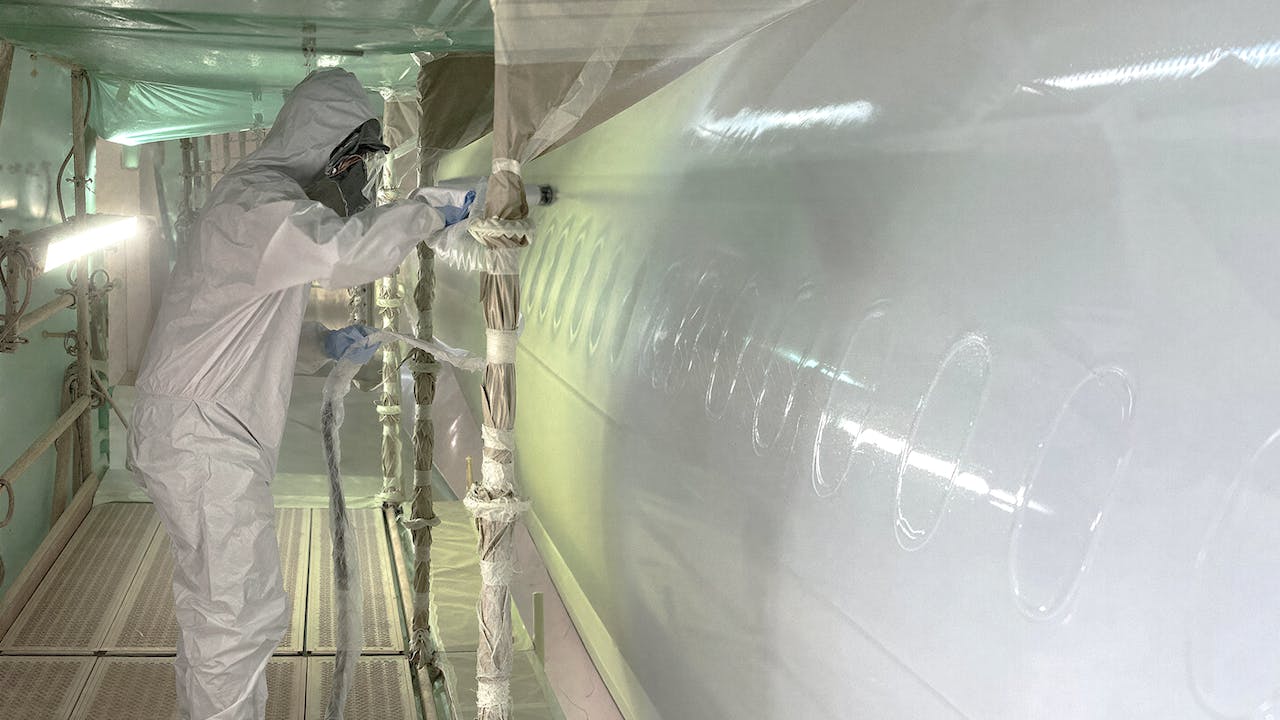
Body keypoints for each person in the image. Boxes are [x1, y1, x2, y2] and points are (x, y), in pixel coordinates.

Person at [127, 68, 473, 720]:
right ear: (335, 153)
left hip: (204, 427)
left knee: (222, 609)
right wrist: (436, 209)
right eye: (359, 170)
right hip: (204, 437)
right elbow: (347, 254)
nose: (360, 187)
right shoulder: (259, 207)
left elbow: (249, 320)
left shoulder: (262, 202)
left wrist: (325, 341)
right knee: (235, 613)